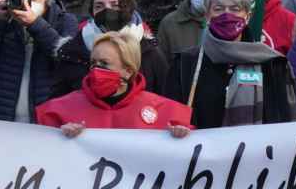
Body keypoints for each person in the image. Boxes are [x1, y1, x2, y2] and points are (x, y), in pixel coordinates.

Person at [168, 0, 296, 128]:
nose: (227, 15)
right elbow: (170, 118)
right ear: (208, 16)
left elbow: (286, 123)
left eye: (235, 9)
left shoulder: (272, 64)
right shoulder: (186, 64)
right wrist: (177, 126)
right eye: (218, 9)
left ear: (248, 16)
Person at [36, 30, 192, 133]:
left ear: (128, 70)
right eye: (93, 63)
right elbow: (43, 151)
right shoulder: (59, 110)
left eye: (104, 63)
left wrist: (180, 136)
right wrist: (59, 136)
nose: (96, 69)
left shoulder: (164, 111)